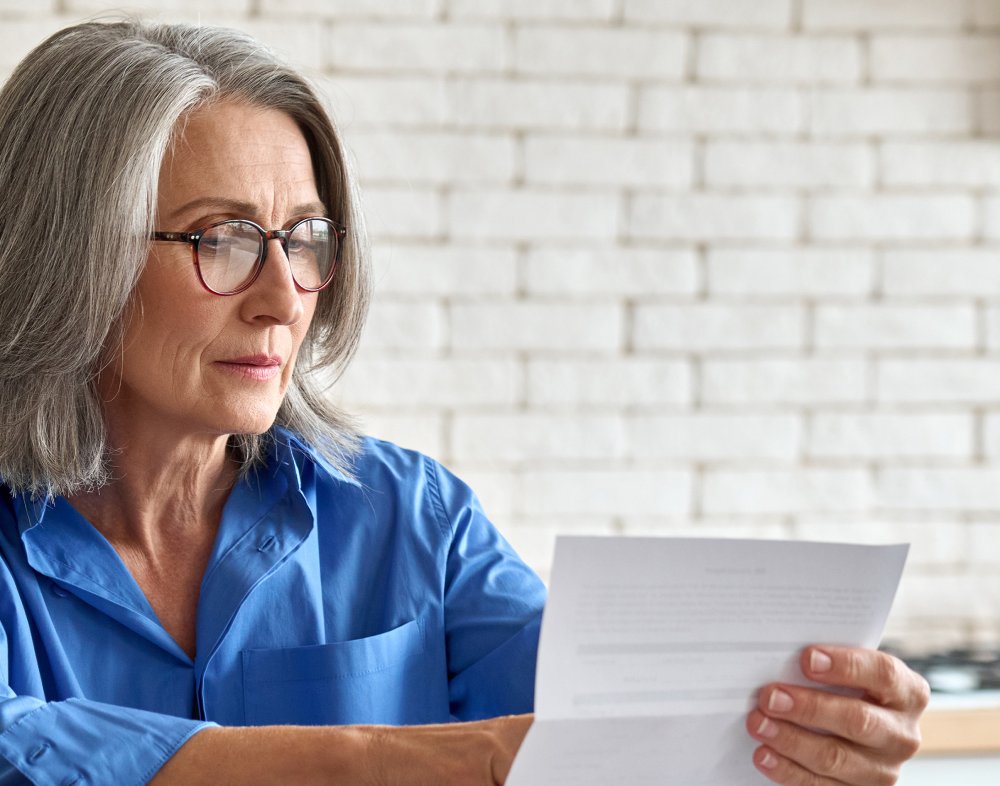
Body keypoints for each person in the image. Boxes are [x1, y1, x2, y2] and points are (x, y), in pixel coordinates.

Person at [0, 19, 927, 786]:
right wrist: (412, 757)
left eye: (306, 239)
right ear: (73, 254)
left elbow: (615, 724)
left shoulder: (415, 520)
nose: (285, 295)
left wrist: (809, 729)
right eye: (226, 239)